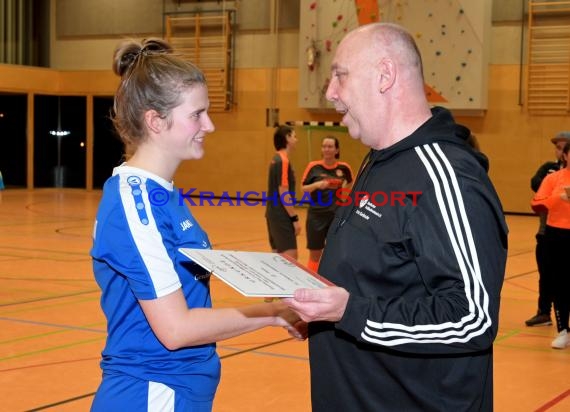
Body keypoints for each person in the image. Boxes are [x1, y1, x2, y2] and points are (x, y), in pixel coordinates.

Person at [284, 23, 508, 411]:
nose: (330, 92)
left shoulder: (446, 176)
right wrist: (327, 313)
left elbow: (471, 317)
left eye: (340, 75)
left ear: (385, 75)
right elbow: (383, 275)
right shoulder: (380, 160)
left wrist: (350, 312)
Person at [90, 38, 305, 411]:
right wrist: (272, 312)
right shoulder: (134, 203)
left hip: (179, 390)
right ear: (155, 120)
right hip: (153, 393)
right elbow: (176, 330)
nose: (210, 125)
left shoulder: (161, 193)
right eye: (197, 114)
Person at [525, 131, 570, 327]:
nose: (559, 152)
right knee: (547, 273)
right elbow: (535, 184)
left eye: (563, 148)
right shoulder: (549, 170)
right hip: (548, 231)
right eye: (557, 148)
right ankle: (544, 312)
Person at [300, 136, 353, 271]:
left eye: (330, 146)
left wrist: (344, 193)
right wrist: (317, 185)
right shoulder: (313, 167)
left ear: (337, 150)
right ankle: (312, 280)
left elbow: (351, 183)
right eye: (324, 146)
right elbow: (303, 188)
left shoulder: (344, 167)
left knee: (334, 252)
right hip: (316, 216)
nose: (326, 149)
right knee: (315, 253)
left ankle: (330, 280)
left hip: (336, 215)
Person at [265, 125, 301, 260]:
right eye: (294, 136)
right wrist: (294, 219)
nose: (297, 140)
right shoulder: (283, 161)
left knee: (277, 260)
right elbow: (283, 192)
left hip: (272, 214)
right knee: (290, 261)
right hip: (281, 216)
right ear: (287, 138)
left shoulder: (276, 159)